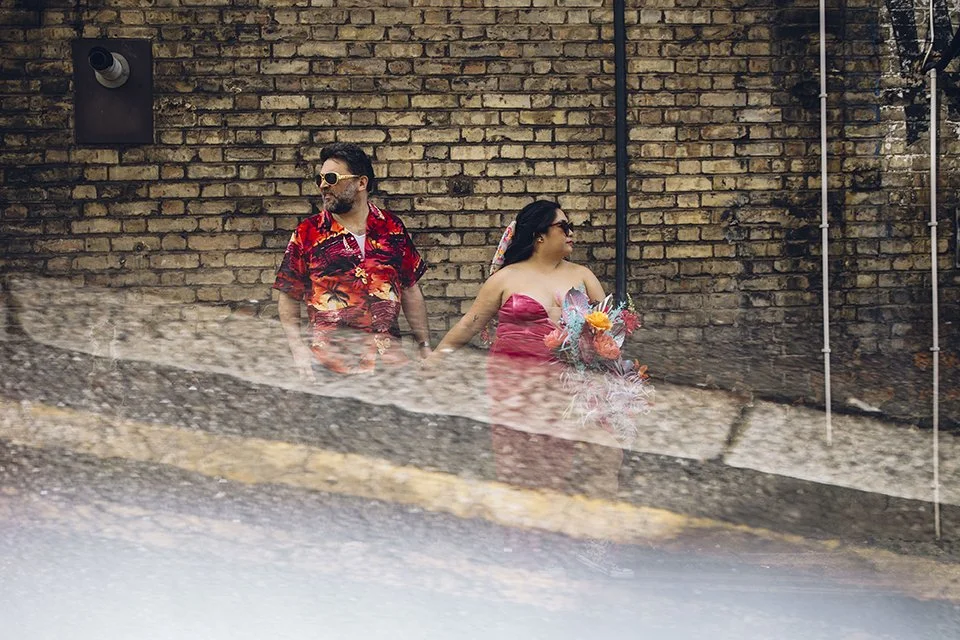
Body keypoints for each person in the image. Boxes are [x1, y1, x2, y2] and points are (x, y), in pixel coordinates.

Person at [431, 200, 634, 578]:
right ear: (540, 235)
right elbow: (472, 322)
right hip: (519, 388)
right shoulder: (506, 279)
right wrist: (436, 358)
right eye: (564, 226)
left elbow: (607, 332)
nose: (572, 233)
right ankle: (530, 553)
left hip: (576, 388)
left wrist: (607, 356)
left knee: (606, 456)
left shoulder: (583, 275)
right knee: (529, 469)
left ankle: (596, 546)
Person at [273, 143, 431, 378]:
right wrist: (298, 350)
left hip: (388, 367)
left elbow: (410, 290)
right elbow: (288, 294)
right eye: (320, 179)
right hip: (329, 369)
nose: (324, 185)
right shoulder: (308, 232)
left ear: (361, 183)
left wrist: (424, 346)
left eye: (331, 177)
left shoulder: (392, 228)